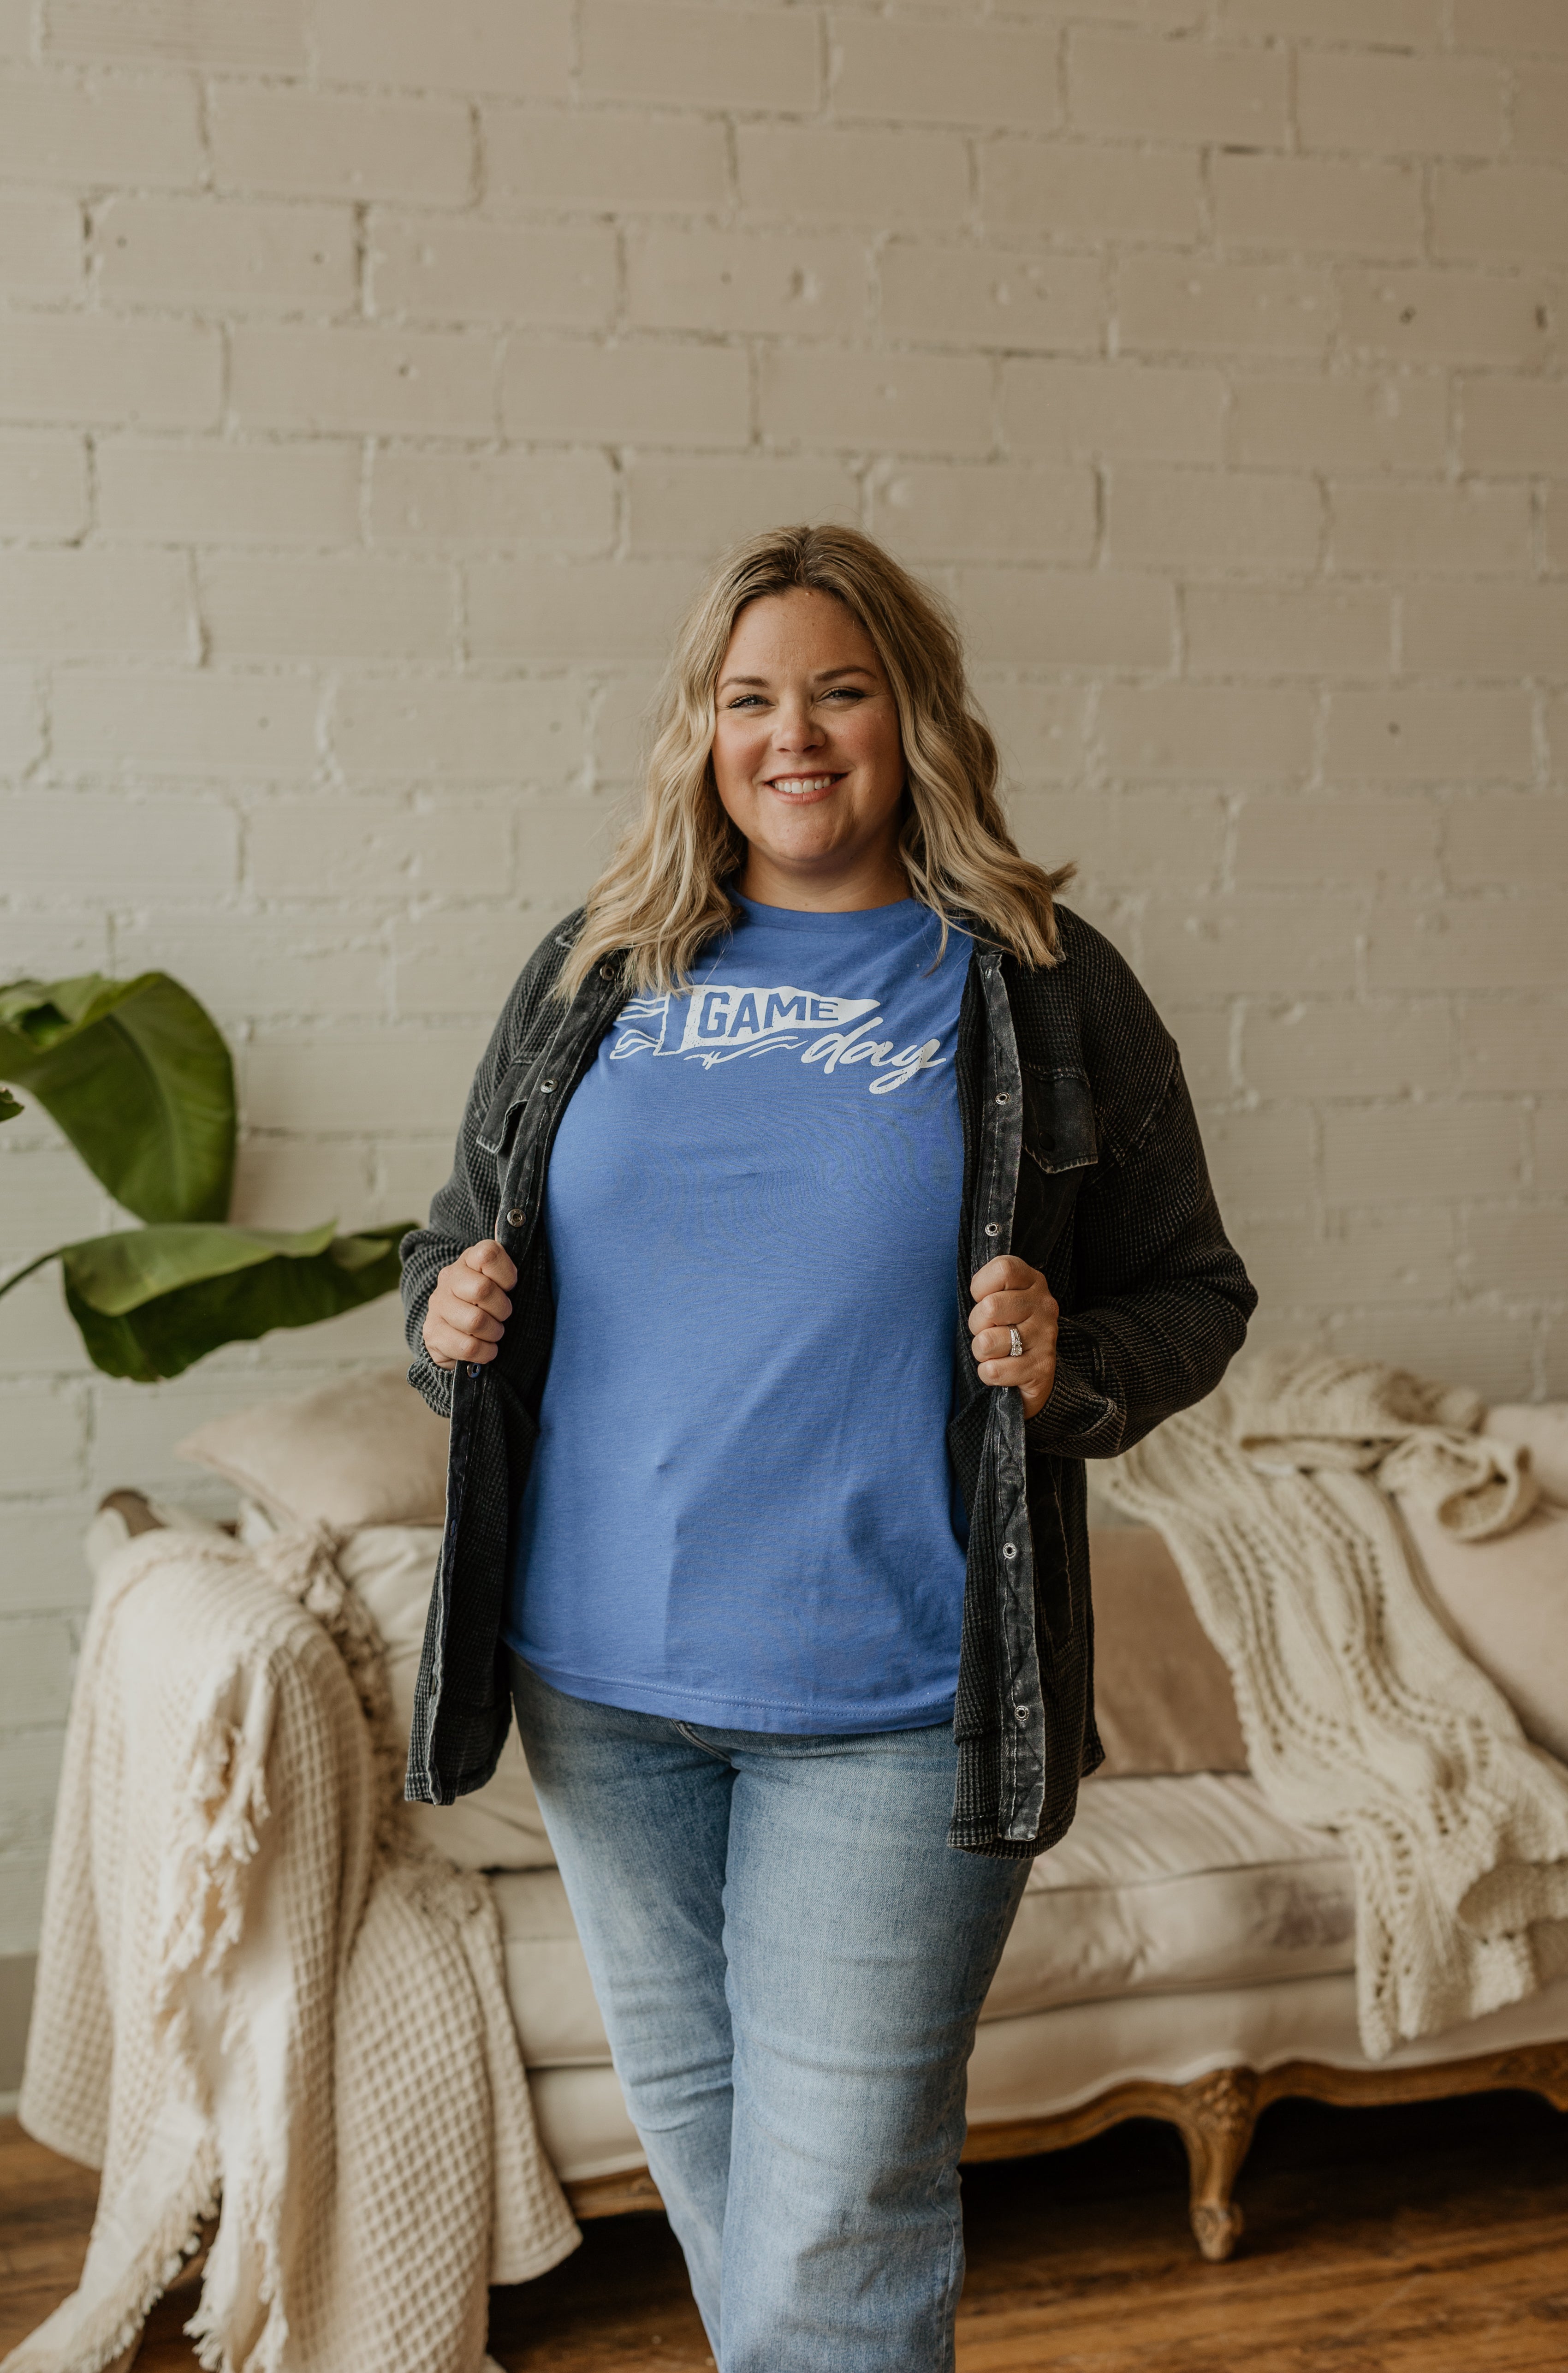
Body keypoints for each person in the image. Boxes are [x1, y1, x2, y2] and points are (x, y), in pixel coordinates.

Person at [400, 524, 1256, 2372]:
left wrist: (1067, 1361)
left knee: (843, 2213)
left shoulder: (1036, 983)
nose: (792, 735)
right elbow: (453, 1248)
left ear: (912, 717)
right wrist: (445, 1313)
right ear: (702, 732)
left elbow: (1193, 1290)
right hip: (599, 1685)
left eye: (839, 691)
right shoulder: (597, 966)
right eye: (750, 698)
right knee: (728, 2189)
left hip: (895, 1694)